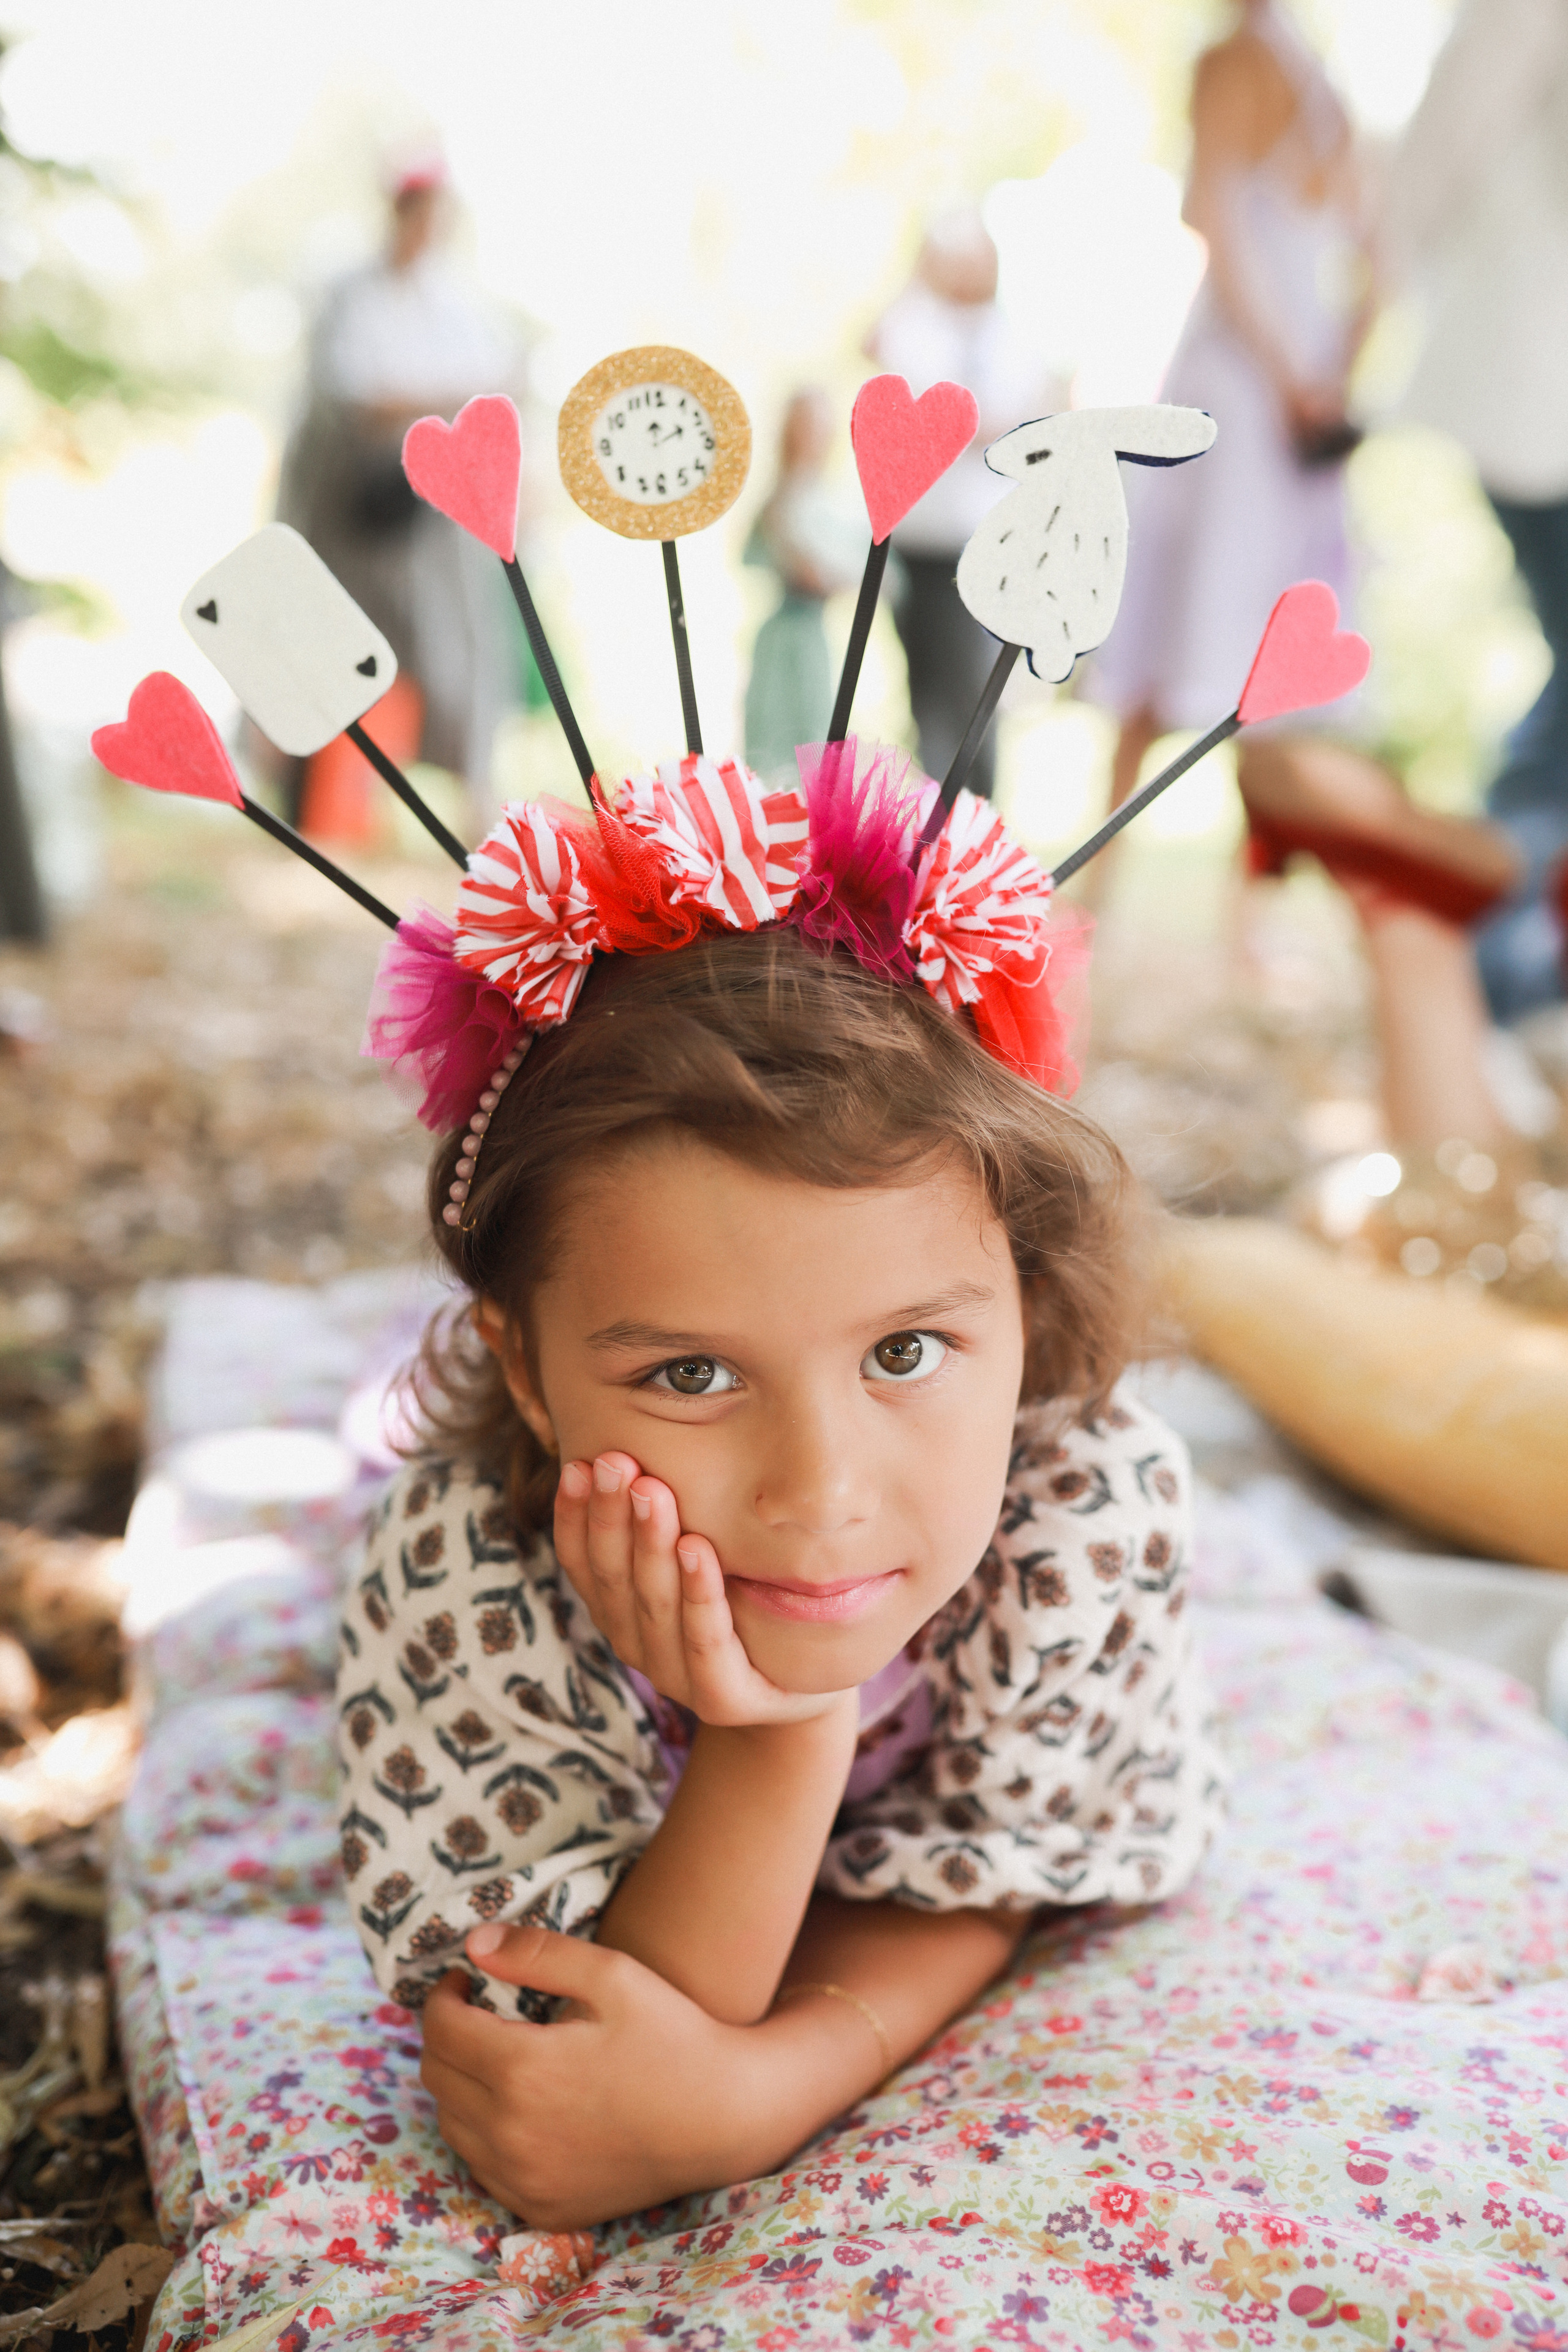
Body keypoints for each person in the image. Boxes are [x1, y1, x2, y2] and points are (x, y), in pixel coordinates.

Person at [337, 757, 1221, 2231]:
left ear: (1024, 1299)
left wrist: (774, 2082)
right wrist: (783, 1730)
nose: (817, 1494)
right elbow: (577, 2056)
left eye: (906, 1350)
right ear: (536, 1373)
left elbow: (992, 1872)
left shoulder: (1077, 1512)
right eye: (690, 1375)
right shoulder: (468, 1584)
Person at [1088, 0, 1521, 1152]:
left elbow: (1238, 218)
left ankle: (1162, 912)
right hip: (1283, 381)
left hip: (1257, 380)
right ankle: (1160, 912)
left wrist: (1300, 376)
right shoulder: (1301, 78)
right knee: (1224, 654)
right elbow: (1345, 240)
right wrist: (1328, 368)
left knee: (1217, 652)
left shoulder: (1259, 63)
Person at [1384, 0, 1568, 1023]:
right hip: (1537, 390)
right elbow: (1443, 138)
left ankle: (1499, 963)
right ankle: (1498, 971)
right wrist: (1375, 281)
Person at [277, 156, 515, 832]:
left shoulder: (457, 304)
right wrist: (435, 399)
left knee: (454, 639)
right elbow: (353, 395)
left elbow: (491, 394)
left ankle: (471, 794)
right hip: (352, 506)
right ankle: (319, 800)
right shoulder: (349, 291)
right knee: (334, 639)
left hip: (434, 512)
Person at [867, 209, 1055, 800]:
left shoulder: (1015, 337)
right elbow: (878, 352)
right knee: (927, 690)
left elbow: (1021, 425)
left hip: (988, 541)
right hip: (919, 541)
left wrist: (957, 426)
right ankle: (934, 815)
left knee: (977, 687)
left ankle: (976, 812)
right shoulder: (918, 326)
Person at [743, 390, 865, 780]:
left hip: (813, 632)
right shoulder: (776, 500)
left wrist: (816, 569)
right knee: (769, 728)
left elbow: (857, 573)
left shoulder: (837, 502)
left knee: (815, 732)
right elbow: (756, 556)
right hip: (781, 632)